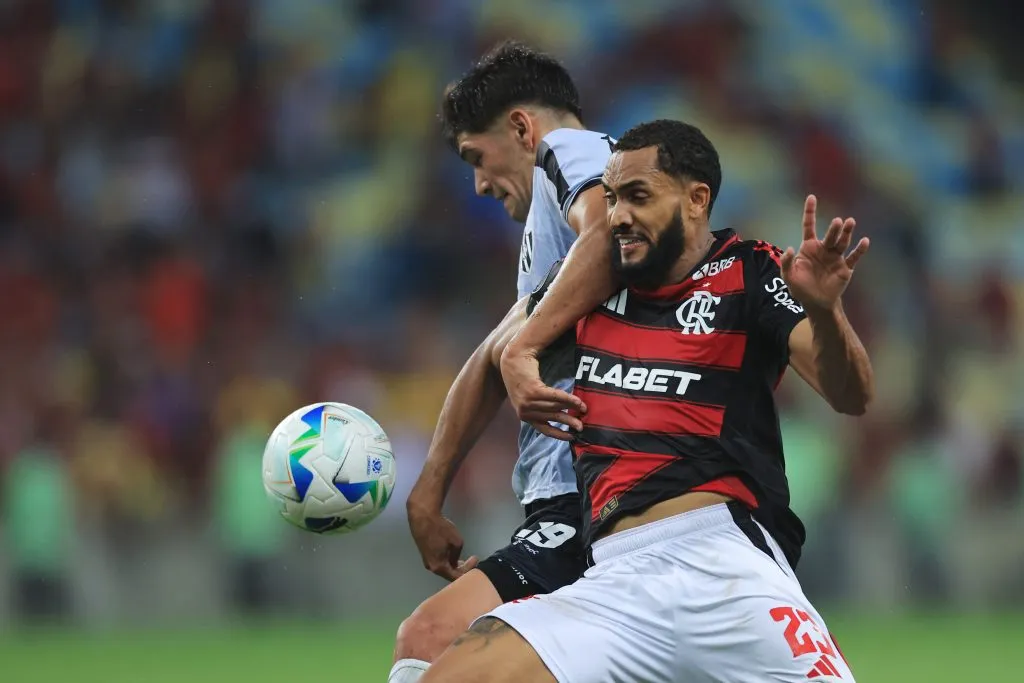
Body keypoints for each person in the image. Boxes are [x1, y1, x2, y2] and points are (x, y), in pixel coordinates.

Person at [421, 119, 873, 682]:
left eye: (638, 197)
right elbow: (489, 359)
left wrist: (827, 313)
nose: (618, 216)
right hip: (613, 581)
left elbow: (850, 394)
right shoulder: (583, 287)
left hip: (727, 567)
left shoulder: (752, 270)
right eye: (610, 199)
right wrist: (428, 491)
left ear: (695, 199)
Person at [388, 41, 612, 683]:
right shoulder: (552, 219)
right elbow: (492, 351)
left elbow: (605, 229)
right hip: (569, 499)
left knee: (429, 637)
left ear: (521, 127)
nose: (480, 183)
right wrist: (427, 493)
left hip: (590, 495)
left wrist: (521, 346)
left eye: (475, 158)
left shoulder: (572, 153)